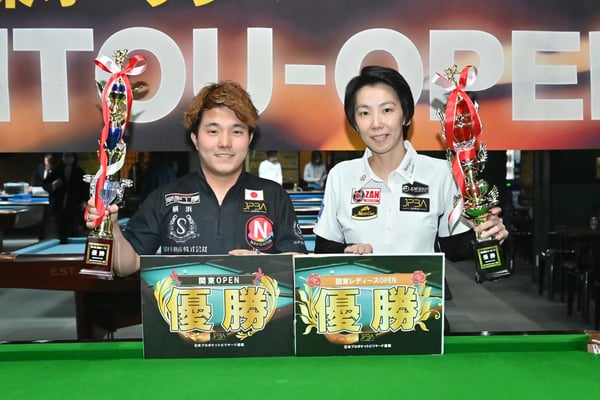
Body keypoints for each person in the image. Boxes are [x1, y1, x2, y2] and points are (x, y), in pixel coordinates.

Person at [85, 81, 307, 277]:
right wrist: (111, 225)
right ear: (195, 139)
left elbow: (299, 262)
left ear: (249, 138)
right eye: (213, 131)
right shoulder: (165, 197)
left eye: (237, 132)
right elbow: (127, 265)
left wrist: (263, 263)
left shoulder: (274, 195)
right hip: (187, 311)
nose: (225, 143)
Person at [313, 65, 508, 258]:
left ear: (406, 115)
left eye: (387, 110)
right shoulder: (341, 175)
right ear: (354, 123)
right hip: (361, 280)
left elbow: (454, 247)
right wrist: (348, 250)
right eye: (364, 113)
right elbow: (323, 247)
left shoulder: (440, 173)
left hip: (423, 280)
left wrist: (487, 235)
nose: (376, 124)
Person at [43, 152, 89, 242]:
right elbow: (45, 185)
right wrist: (53, 185)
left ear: (74, 158)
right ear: (62, 157)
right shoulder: (56, 170)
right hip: (58, 205)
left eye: (70, 156)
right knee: (60, 229)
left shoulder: (79, 171)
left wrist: (85, 201)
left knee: (74, 229)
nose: (68, 159)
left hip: (75, 205)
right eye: (66, 156)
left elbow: (85, 188)